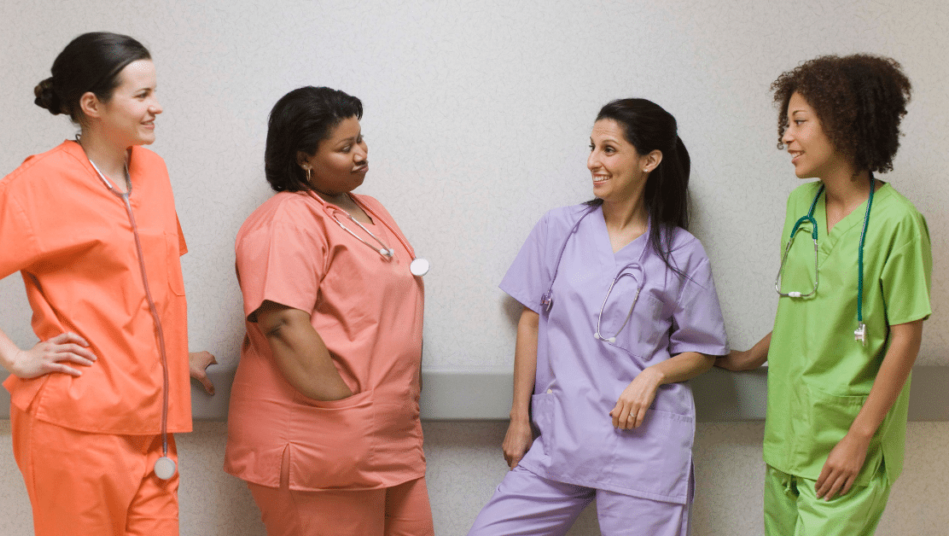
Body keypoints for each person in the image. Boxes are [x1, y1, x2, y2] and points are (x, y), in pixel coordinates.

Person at [0, 32, 216, 536]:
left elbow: (147, 284)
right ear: (92, 104)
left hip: (154, 428)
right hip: (78, 426)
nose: (157, 107)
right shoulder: (42, 181)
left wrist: (169, 356)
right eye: (142, 95)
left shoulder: (153, 171)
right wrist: (16, 358)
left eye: (155, 92)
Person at [468, 98, 728, 536]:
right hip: (563, 439)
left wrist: (654, 375)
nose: (593, 161)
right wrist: (518, 419)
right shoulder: (559, 229)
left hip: (643, 448)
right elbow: (531, 321)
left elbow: (703, 350)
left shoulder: (682, 251)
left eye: (608, 149)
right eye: (592, 147)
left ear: (649, 160)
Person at [715, 54, 930, 536]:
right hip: (788, 437)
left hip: (844, 447)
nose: (785, 137)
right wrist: (748, 357)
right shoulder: (800, 205)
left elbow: (906, 337)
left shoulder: (898, 222)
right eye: (786, 123)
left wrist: (859, 438)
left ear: (843, 121)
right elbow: (805, 307)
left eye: (798, 122)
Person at [224, 86, 433, 536]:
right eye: (344, 147)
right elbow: (283, 325)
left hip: (389, 436)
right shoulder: (287, 217)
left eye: (361, 139)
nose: (361, 154)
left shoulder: (370, 210)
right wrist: (347, 412)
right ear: (304, 158)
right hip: (321, 436)